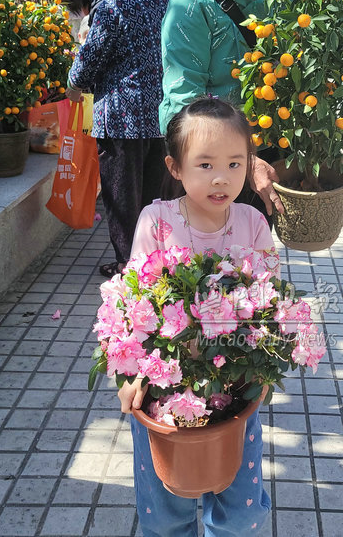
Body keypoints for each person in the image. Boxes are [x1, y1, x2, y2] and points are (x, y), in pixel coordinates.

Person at [117, 97, 274, 536]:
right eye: (204, 165)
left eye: (234, 163)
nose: (221, 178)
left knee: (239, 508)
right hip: (164, 389)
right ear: (174, 167)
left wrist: (266, 357)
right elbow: (133, 304)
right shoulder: (157, 221)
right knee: (166, 507)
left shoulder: (253, 224)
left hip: (235, 384)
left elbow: (269, 304)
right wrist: (135, 375)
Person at [159, 0, 284, 220]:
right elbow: (183, 99)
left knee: (255, 262)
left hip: (268, 158)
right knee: (210, 268)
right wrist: (241, 163)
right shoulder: (192, 1)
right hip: (211, 169)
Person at [67, 0, 169, 278]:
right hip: (160, 116)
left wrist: (73, 83)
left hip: (121, 117)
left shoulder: (114, 6)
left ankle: (130, 266)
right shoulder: (165, 1)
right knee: (155, 196)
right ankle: (154, 262)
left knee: (122, 197)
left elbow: (91, 57)